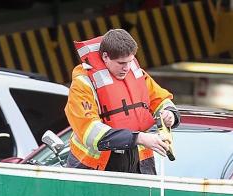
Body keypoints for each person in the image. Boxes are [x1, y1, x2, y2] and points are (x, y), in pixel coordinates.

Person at [65, 28, 179, 175]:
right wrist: (139, 138)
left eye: (130, 62)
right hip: (93, 169)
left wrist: (170, 115)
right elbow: (90, 133)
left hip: (139, 165)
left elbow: (162, 100)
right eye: (121, 63)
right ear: (105, 57)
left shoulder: (137, 75)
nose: (126, 68)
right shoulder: (83, 85)